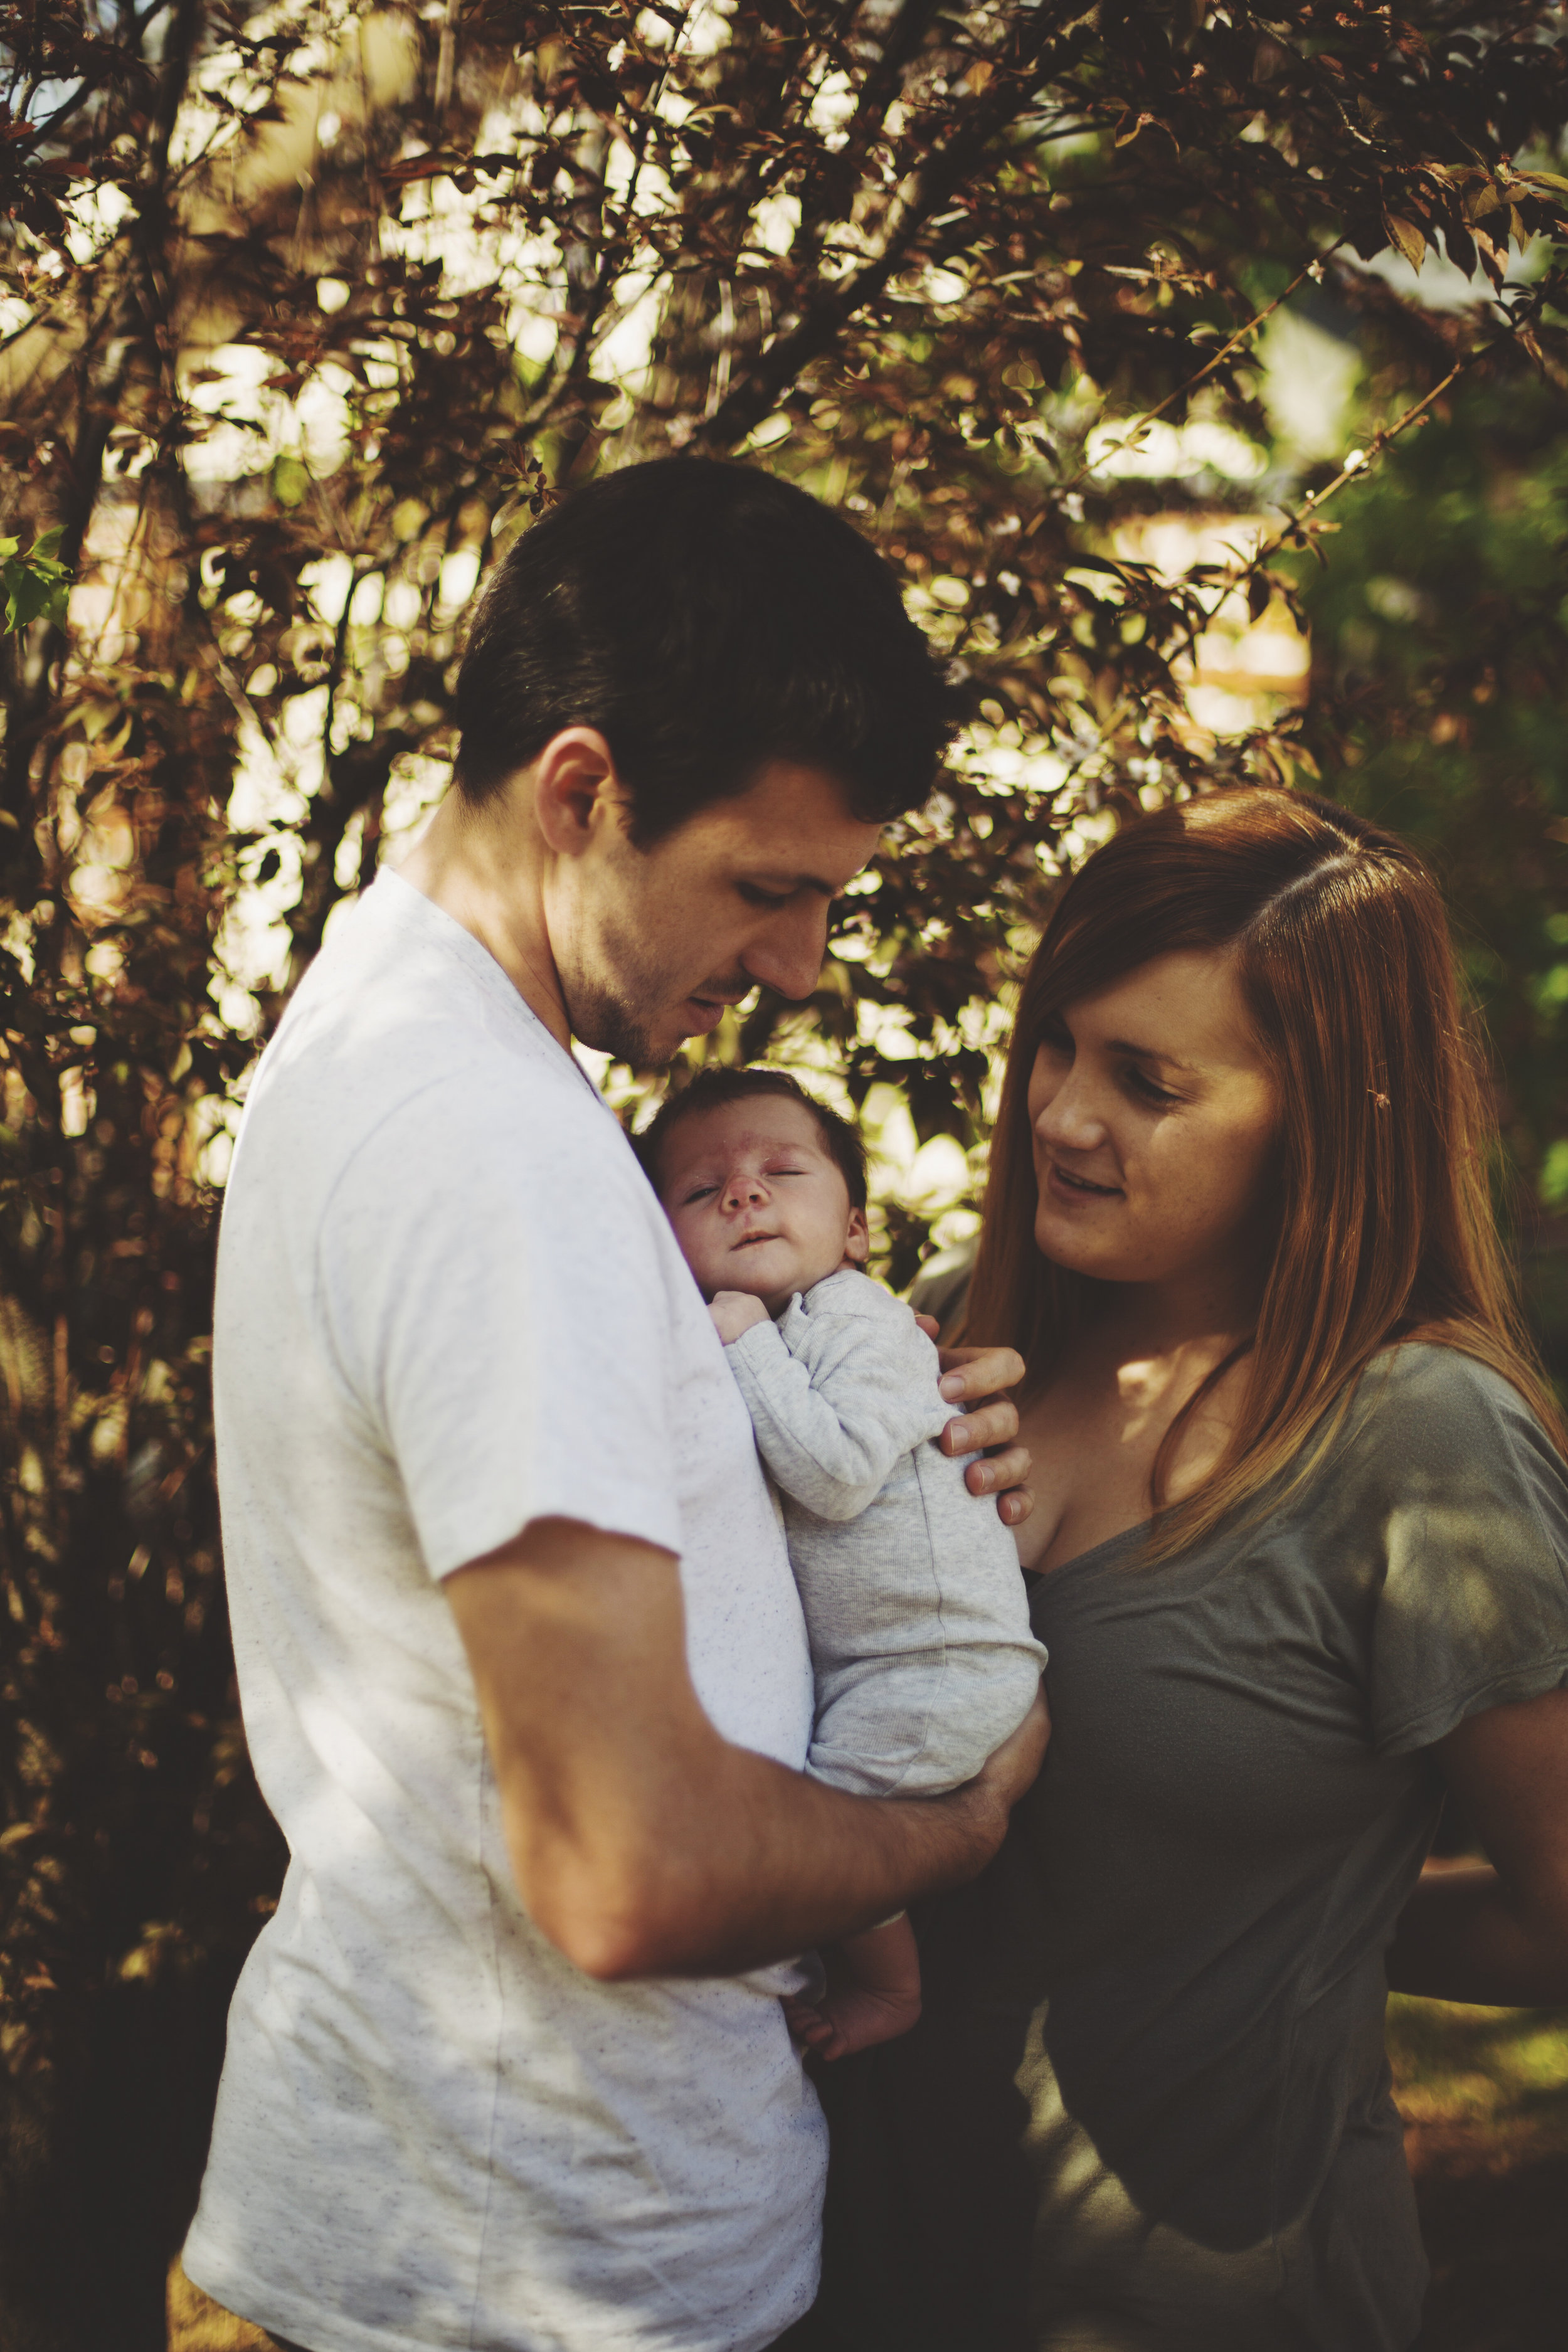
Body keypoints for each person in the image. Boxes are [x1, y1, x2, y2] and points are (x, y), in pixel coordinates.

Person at [180, 457, 1049, 2352]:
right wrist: (952, 1829)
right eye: (768, 887)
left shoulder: (412, 1036)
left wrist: (885, 1417)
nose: (798, 965)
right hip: (508, 2280)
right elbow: (627, 1868)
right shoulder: (493, 1147)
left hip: (500, 2227)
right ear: (580, 789)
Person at [812, 787, 1568, 2352]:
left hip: (1204, 2294)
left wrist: (1306, 1931)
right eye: (1058, 1044)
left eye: (1147, 1081)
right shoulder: (952, 1337)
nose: (1059, 1113)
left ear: (1324, 1112)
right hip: (853, 2262)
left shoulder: (1415, 1436)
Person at [636, 1065, 1047, 2060]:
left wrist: (742, 1341)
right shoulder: (768, 1339)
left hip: (939, 1669)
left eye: (782, 1169)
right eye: (702, 1191)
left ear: (856, 1230)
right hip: (893, 1672)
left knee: (827, 1836)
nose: (744, 1192)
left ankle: (890, 1989)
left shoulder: (863, 1320)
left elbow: (836, 1472)